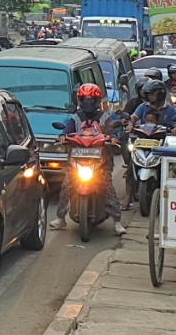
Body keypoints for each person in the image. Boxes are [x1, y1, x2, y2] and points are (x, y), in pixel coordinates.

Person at [50, 83, 127, 236]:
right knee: (66, 186)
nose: (88, 103)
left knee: (108, 188)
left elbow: (111, 130)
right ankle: (61, 218)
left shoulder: (104, 117)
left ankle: (117, 222)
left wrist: (112, 138)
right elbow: (67, 130)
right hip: (77, 162)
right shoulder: (76, 117)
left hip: (101, 162)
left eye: (91, 100)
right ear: (79, 100)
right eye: (85, 100)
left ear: (97, 101)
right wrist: (63, 136)